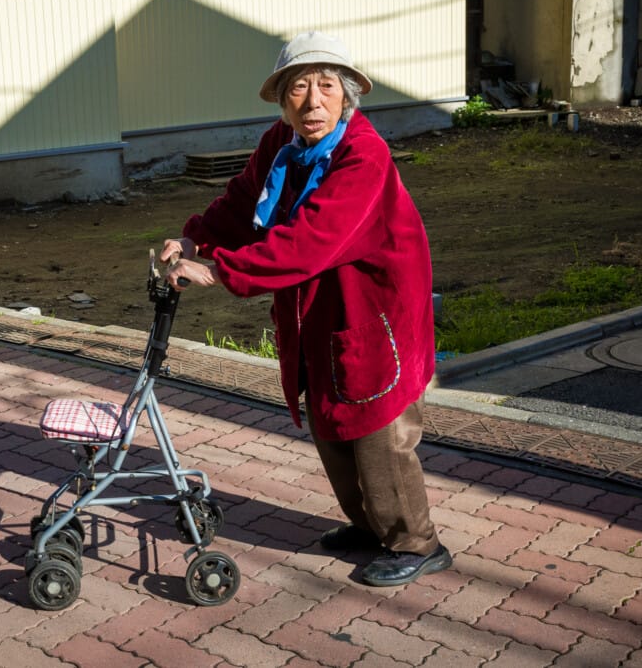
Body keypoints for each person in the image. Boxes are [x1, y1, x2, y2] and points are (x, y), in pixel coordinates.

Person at [161, 31, 451, 587]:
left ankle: (417, 542)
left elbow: (311, 240)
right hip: (315, 305)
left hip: (373, 308)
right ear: (281, 99)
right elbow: (241, 198)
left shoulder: (363, 154)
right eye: (299, 88)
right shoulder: (282, 142)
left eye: (326, 87)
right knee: (328, 417)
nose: (312, 101)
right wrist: (195, 238)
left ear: (347, 96)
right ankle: (369, 526)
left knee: (377, 429)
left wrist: (222, 269)